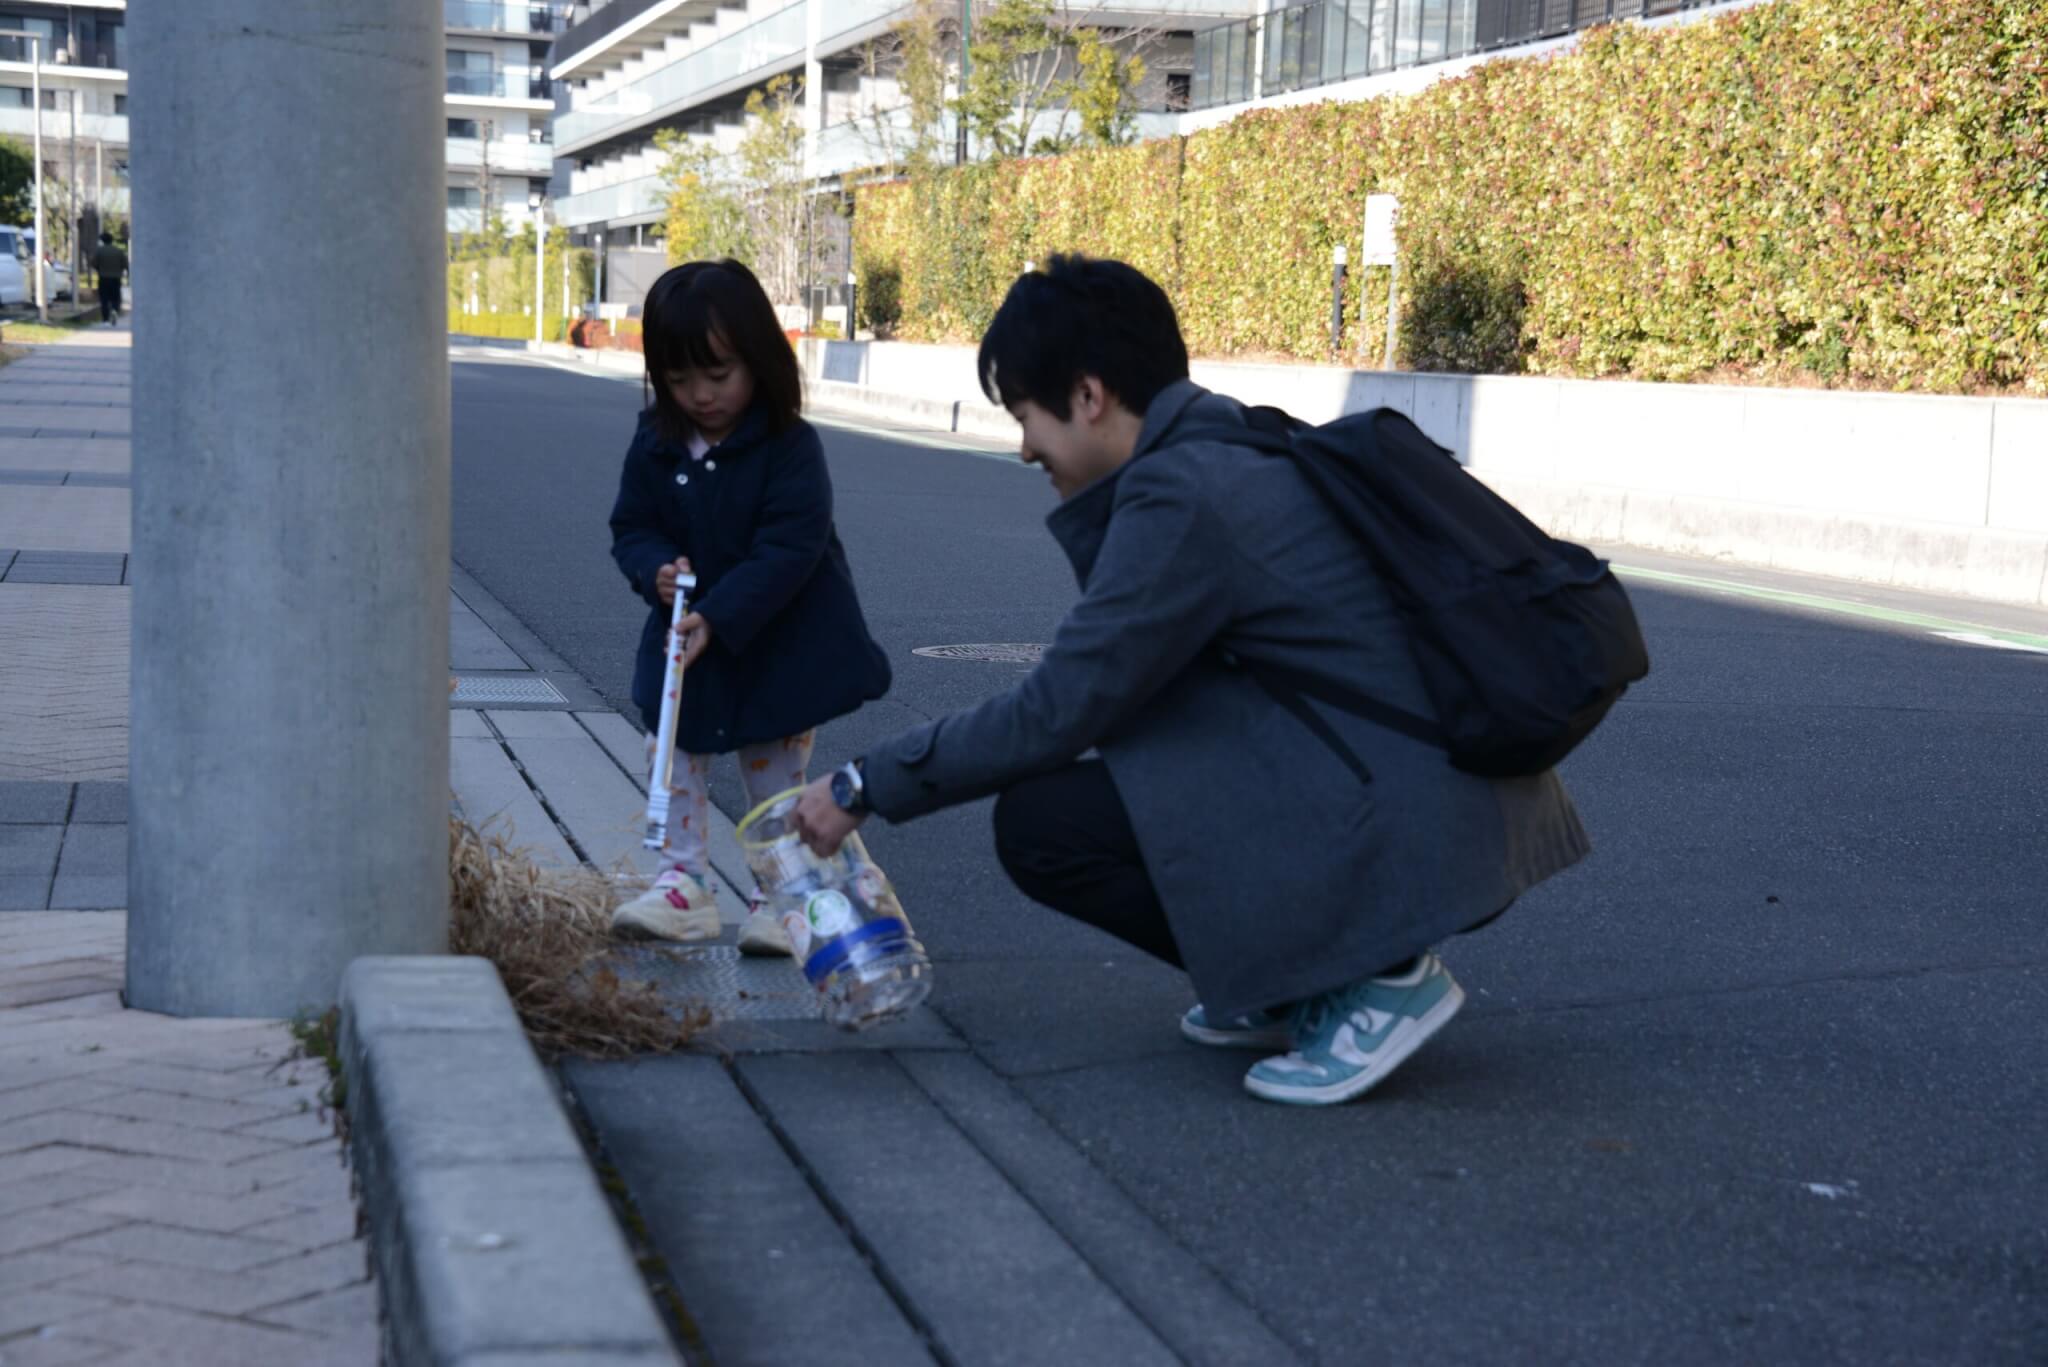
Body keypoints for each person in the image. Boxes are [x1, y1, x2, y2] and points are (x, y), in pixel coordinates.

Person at [793, 255, 1590, 1106]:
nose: (1026, 448)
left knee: (1049, 826)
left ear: (1089, 397)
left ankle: (1375, 981)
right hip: (1430, 797)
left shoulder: (1184, 496)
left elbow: (1059, 708)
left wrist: (864, 781)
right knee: (1119, 776)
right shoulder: (1224, 439)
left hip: (1414, 825)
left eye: (1028, 417)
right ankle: (1293, 980)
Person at [610, 258, 891, 955]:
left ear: (759, 361)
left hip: (773, 637)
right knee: (672, 750)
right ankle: (682, 885)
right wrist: (656, 571)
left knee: (773, 766)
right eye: (680, 380)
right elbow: (632, 526)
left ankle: (781, 891)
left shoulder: (789, 446)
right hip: (688, 637)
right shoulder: (655, 440)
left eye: (719, 375)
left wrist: (721, 611)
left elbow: (791, 548)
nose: (701, 395)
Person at [91, 233, 128, 324]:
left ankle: (105, 319)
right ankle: (115, 310)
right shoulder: (118, 251)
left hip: (103, 278)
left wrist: (99, 269)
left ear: (102, 241)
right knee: (115, 297)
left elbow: (94, 263)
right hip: (116, 278)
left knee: (104, 298)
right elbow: (125, 264)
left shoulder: (99, 251)